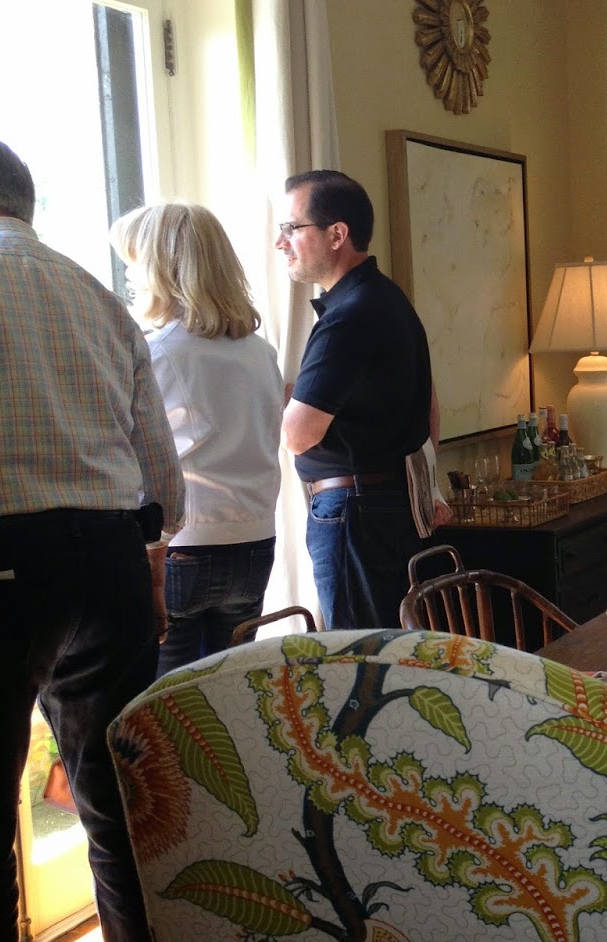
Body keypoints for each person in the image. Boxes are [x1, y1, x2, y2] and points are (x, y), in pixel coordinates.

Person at [0, 139, 185, 942]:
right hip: (108, 555)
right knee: (114, 793)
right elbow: (164, 482)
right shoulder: (94, 295)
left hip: (1, 557)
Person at [111, 202, 283, 674]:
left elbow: (137, 454)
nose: (130, 276)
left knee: (171, 697)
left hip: (184, 545)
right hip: (255, 539)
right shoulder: (261, 352)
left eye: (134, 262)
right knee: (228, 688)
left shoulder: (157, 352)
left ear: (160, 269)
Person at [279, 168, 434, 629]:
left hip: (353, 513)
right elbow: (431, 405)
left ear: (337, 235)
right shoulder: (389, 298)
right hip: (388, 504)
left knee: (357, 655)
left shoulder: (348, 316)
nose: (281, 242)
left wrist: (282, 399)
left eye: (292, 228)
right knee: (388, 648)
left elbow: (298, 436)